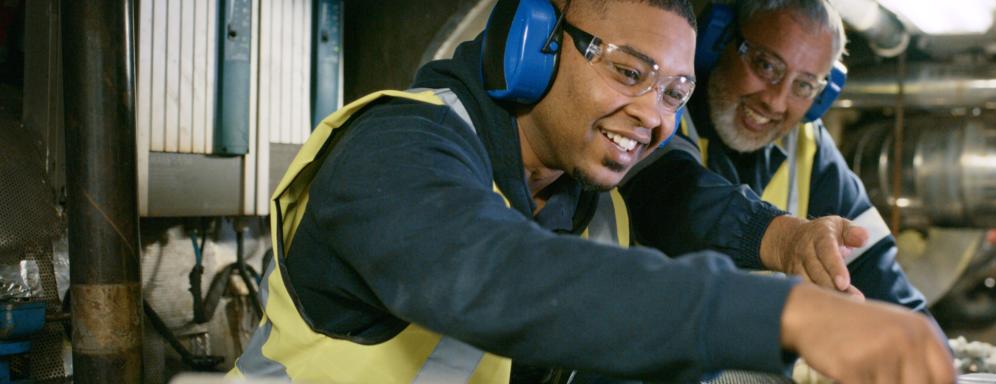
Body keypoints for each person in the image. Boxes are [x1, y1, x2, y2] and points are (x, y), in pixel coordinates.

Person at [229, 0, 954, 383]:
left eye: (675, 90)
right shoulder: (397, 149)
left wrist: (787, 238)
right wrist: (790, 316)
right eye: (629, 72)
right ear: (533, 41)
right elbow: (501, 276)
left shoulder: (592, 189)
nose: (654, 115)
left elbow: (682, 193)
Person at [604, 0, 929, 312]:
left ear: (821, 97)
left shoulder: (809, 146)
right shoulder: (661, 112)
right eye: (766, 65)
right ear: (719, 40)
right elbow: (675, 202)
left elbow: (880, 275)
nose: (775, 101)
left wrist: (925, 345)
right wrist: (784, 239)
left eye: (803, 86)